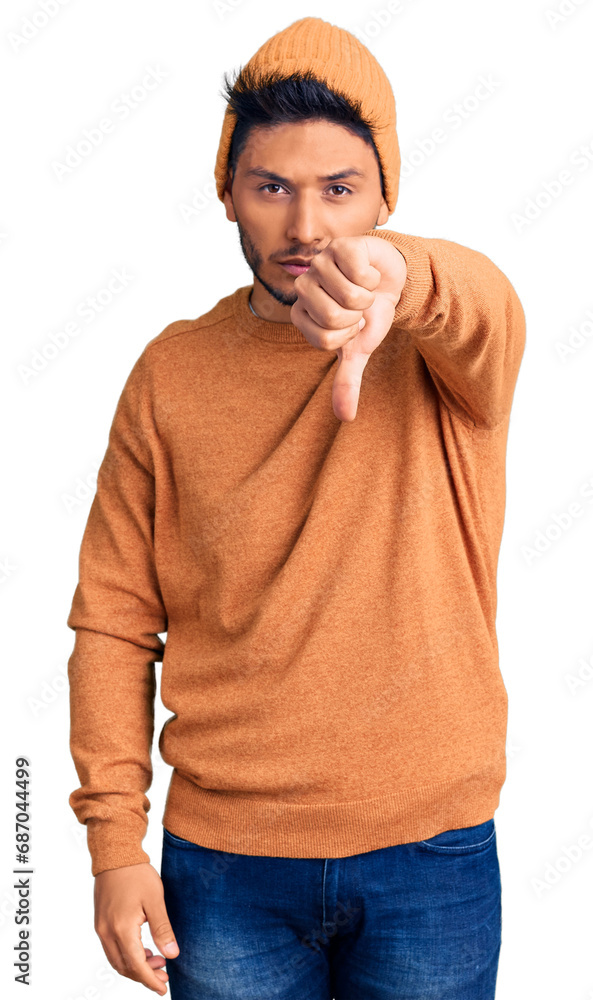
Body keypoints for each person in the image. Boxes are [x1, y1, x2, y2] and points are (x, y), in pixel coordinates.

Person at [66, 15, 526, 1000]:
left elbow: (482, 302)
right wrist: (112, 844)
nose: (306, 228)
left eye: (338, 190)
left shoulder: (446, 349)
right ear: (227, 188)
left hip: (430, 850)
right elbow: (112, 621)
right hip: (223, 864)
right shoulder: (171, 372)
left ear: (384, 195)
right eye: (271, 186)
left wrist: (402, 275)